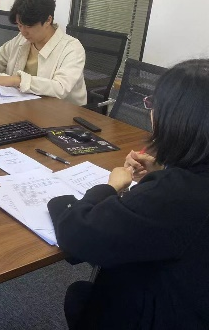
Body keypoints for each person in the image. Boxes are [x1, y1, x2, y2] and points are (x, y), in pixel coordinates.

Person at [47, 59, 209, 330]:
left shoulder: (176, 194)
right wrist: (163, 171)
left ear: (174, 120)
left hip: (167, 314)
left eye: (153, 106)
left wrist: (110, 187)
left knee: (80, 298)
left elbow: (80, 237)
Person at [0, 0, 87, 105]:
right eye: (20, 25)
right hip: (24, 105)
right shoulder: (22, 39)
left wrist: (17, 80)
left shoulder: (72, 48)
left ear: (48, 20)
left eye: (29, 26)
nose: (23, 32)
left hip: (63, 112)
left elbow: (60, 88)